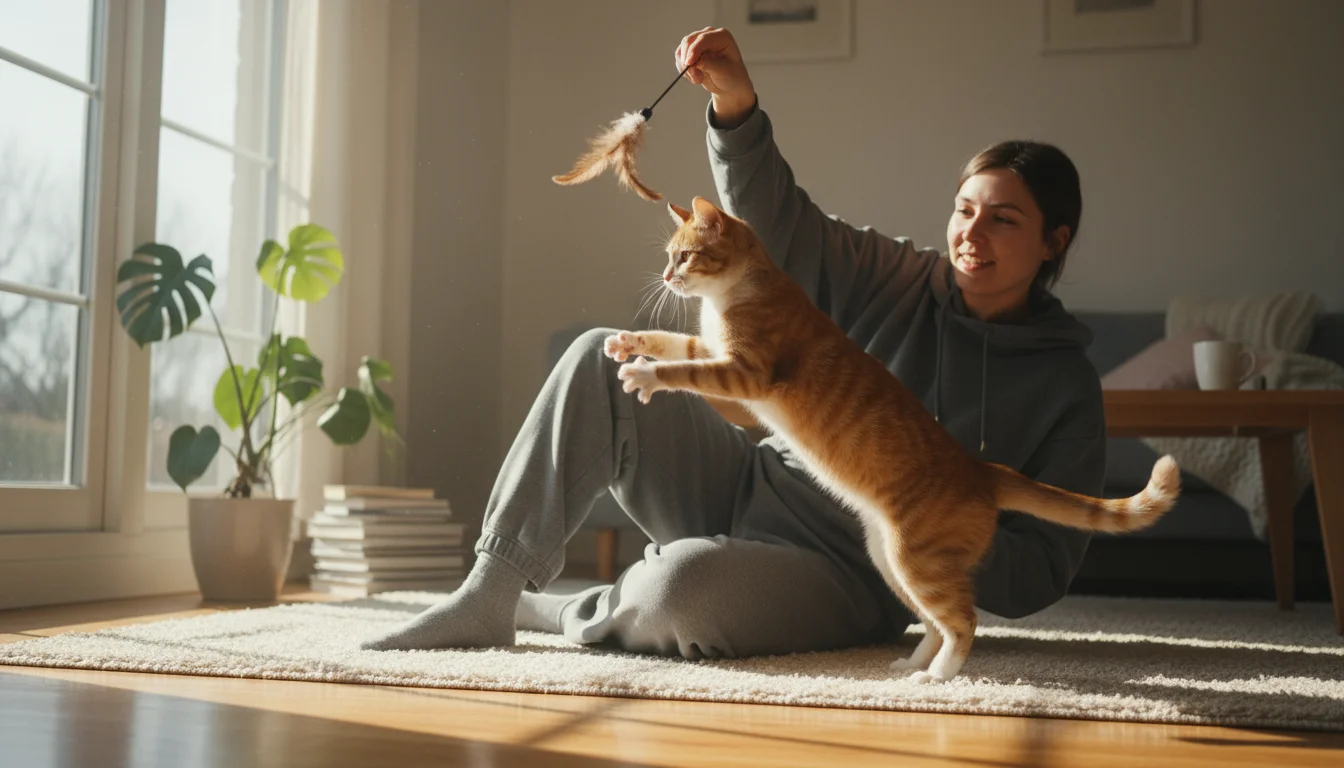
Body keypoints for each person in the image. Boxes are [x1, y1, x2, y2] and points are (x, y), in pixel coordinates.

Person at [361, 27, 1106, 659]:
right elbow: (776, 226)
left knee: (678, 591)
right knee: (603, 351)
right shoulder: (898, 276)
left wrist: (934, 525)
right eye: (964, 210)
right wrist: (733, 105)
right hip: (747, 482)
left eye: (1002, 220)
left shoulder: (1064, 382)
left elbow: (1041, 573)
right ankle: (490, 595)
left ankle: (560, 611)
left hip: (845, 569)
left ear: (1054, 241)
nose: (970, 234)